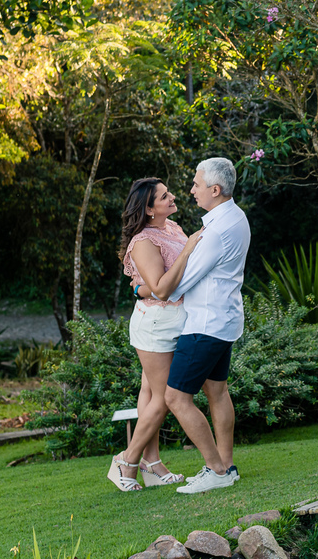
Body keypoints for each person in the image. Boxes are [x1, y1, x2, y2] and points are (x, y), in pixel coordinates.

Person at [107, 177, 203, 491]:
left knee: (149, 394)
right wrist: (189, 250)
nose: (173, 197)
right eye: (164, 196)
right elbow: (161, 289)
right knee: (164, 398)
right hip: (157, 323)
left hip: (173, 317)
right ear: (149, 209)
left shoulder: (172, 227)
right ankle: (126, 460)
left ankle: (152, 463)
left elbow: (157, 283)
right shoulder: (144, 241)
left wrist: (141, 287)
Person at [161, 157, 250, 494]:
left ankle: (216, 470)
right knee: (217, 392)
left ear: (215, 189)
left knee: (175, 398)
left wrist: (151, 284)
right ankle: (227, 466)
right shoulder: (237, 217)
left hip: (205, 325)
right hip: (224, 320)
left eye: (196, 184)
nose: (191, 189)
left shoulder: (214, 233)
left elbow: (176, 288)